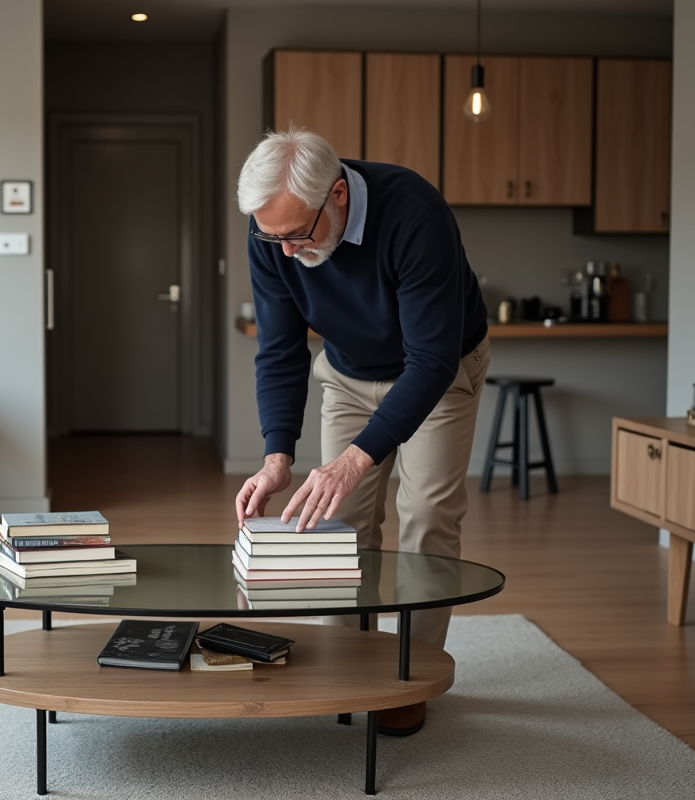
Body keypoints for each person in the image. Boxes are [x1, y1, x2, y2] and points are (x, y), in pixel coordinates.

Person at [234, 128, 490, 736]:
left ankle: (413, 676)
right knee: (337, 525)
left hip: (437, 370)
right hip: (348, 376)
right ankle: (349, 667)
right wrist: (277, 456)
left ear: (339, 196)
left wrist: (355, 460)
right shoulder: (272, 233)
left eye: (298, 234)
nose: (286, 252)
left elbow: (430, 361)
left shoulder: (414, 214)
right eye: (273, 238)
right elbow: (279, 350)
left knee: (428, 514)